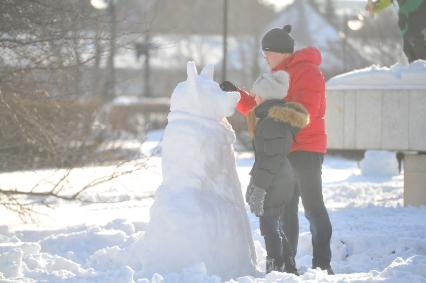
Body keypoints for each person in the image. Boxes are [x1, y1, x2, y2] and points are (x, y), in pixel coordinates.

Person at [222, 24, 333, 274]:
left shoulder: (307, 72)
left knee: (313, 206)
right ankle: (287, 263)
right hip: (283, 149)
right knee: (285, 208)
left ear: (279, 52)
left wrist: (274, 123)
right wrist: (237, 95)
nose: (265, 58)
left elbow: (306, 111)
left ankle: (323, 263)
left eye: (266, 53)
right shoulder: (278, 74)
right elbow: (261, 105)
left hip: (306, 148)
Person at [244, 70, 309, 274]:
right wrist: (254, 183)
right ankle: (285, 268)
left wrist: (260, 188)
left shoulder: (272, 123)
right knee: (274, 224)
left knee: (270, 226)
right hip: (277, 178)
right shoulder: (270, 120)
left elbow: (271, 160)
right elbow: (264, 159)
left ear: (265, 96)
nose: (254, 97)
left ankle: (276, 269)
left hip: (277, 180)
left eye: (257, 94)